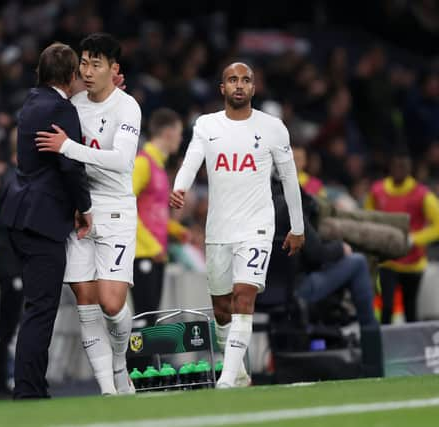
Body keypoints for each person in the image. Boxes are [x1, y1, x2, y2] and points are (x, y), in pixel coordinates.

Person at [169, 62, 305, 389]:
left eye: (245, 80)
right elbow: (192, 158)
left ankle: (227, 378)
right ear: (222, 88)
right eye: (232, 80)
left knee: (244, 296)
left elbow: (289, 179)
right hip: (219, 228)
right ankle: (240, 372)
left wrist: (297, 227)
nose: (239, 85)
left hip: (257, 227)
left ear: (254, 89)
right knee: (222, 309)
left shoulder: (273, 128)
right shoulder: (206, 125)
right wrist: (180, 186)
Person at [35, 33, 141, 395]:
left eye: (97, 64)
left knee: (112, 303)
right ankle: (107, 391)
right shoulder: (74, 104)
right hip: (79, 212)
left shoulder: (127, 107)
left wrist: (69, 147)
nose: (87, 70)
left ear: (114, 70)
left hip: (115, 212)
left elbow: (121, 161)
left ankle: (119, 364)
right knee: (85, 299)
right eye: (84, 62)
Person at [0, 42, 92, 399]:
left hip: (20, 214)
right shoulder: (61, 108)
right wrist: (85, 206)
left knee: (35, 308)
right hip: (43, 220)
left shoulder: (31, 102)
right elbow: (70, 165)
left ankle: (33, 385)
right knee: (40, 310)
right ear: (70, 76)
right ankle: (28, 390)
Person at [271, 180, 378, 327]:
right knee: (358, 262)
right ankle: (370, 336)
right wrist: (341, 248)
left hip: (252, 295)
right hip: (295, 291)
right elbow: (317, 254)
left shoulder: (245, 210)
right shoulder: (290, 208)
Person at [365, 151, 439, 323]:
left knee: (410, 308)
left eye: (403, 166)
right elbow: (367, 217)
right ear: (390, 167)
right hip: (387, 261)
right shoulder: (378, 190)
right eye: (396, 166)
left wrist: (414, 239)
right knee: (387, 306)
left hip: (412, 262)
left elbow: (437, 225)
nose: (399, 170)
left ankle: (410, 345)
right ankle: (382, 343)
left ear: (409, 168)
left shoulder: (421, 194)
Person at [131, 108, 189, 325]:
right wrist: (151, 246)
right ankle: (137, 361)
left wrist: (175, 230)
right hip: (143, 253)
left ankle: (146, 361)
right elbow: (127, 207)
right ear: (167, 133)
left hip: (156, 253)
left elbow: (153, 213)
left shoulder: (158, 167)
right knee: (144, 320)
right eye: (179, 132)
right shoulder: (142, 163)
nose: (180, 138)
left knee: (151, 319)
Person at [0, 164, 24, 398]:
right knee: (7, 325)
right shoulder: (15, 181)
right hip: (12, 269)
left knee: (10, 325)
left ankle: (5, 379)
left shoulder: (12, 178)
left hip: (12, 267)